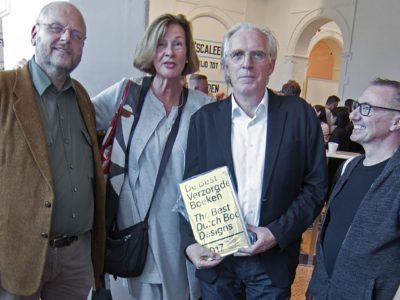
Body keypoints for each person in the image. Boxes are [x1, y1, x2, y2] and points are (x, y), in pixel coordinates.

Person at [180, 22, 327, 299]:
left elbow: (315, 186)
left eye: (257, 54)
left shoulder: (299, 115)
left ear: (270, 65)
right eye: (237, 55)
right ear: (225, 66)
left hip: (272, 261)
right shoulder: (204, 121)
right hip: (218, 260)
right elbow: (190, 188)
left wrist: (276, 232)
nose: (247, 63)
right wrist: (189, 243)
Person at [92, 13, 212, 300]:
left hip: (179, 241)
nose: (169, 51)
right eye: (161, 44)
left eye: (178, 44)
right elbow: (79, 117)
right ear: (150, 50)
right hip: (132, 237)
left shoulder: (203, 108)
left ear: (188, 53)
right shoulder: (128, 93)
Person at [0, 2, 106, 299]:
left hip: (75, 259)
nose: (66, 39)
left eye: (76, 35)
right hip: (17, 257)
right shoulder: (5, 90)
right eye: (57, 28)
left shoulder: (82, 97)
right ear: (35, 34)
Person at [308, 78, 400, 299]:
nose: (353, 115)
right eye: (357, 106)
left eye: (367, 108)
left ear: (396, 121)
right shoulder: (350, 167)